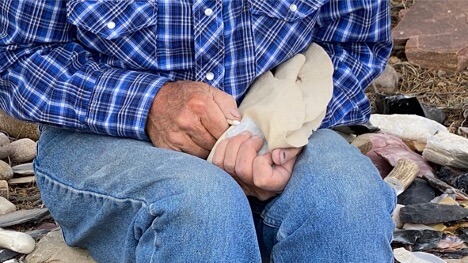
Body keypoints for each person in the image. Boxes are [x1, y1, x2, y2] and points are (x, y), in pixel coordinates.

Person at [0, 1, 396, 262]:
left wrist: (274, 128)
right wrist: (149, 103)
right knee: (202, 204)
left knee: (345, 198)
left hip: (279, 116)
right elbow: (17, 60)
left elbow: (354, 44)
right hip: (101, 137)